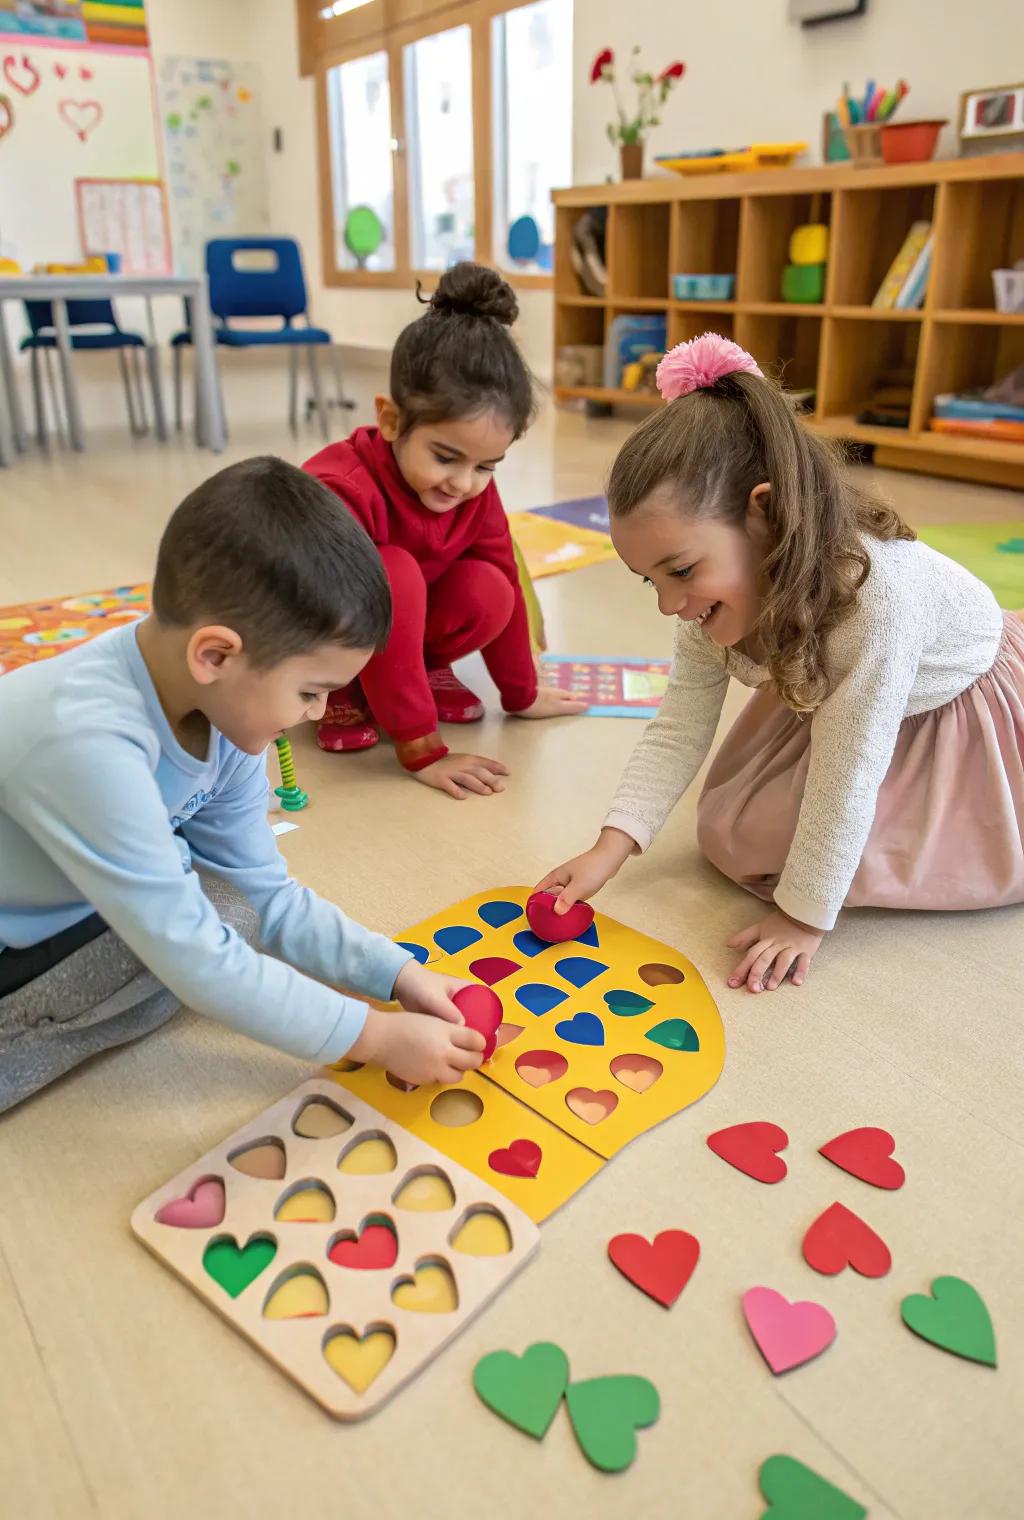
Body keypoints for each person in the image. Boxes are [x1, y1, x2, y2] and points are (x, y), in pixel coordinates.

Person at [538, 333, 1024, 992]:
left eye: (680, 570)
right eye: (650, 581)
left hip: (956, 710)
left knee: (882, 856)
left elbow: (849, 772)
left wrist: (803, 918)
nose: (669, 604)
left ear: (763, 514)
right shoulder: (705, 603)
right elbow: (679, 726)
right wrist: (611, 846)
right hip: (834, 698)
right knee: (735, 834)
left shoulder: (876, 604)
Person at [0, 457, 485, 1114]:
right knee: (205, 953)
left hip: (68, 906)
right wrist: (372, 1036)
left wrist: (398, 974)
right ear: (216, 655)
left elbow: (269, 896)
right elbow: (197, 960)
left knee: (233, 911)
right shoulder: (86, 742)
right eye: (310, 692)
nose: (317, 715)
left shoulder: (220, 710)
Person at [304, 262, 585, 800]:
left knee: (491, 585)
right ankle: (345, 690)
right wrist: (421, 748)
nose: (462, 484)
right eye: (445, 457)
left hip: (399, 636)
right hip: (324, 636)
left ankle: (422, 675)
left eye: (486, 466)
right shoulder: (341, 488)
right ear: (390, 421)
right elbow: (304, 602)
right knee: (394, 570)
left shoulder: (472, 491)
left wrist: (521, 693)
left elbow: (505, 576)